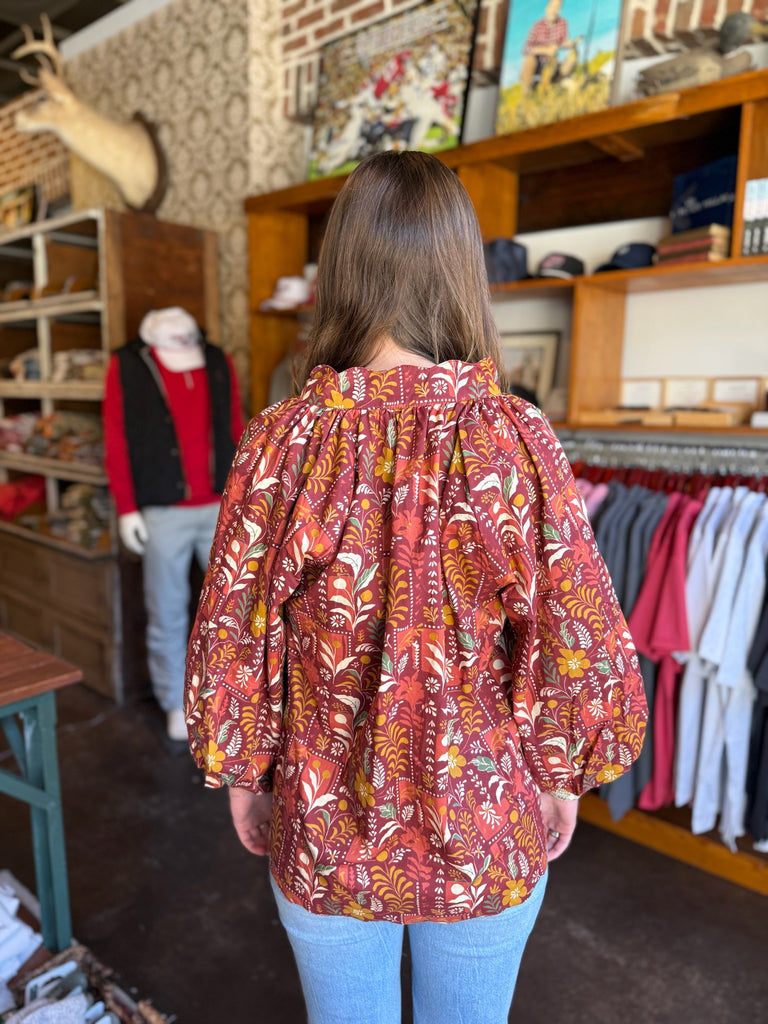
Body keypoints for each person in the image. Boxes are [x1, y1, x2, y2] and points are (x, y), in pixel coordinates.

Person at [185, 151, 647, 1024]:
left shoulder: (280, 441)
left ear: (341, 268)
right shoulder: (516, 440)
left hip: (322, 819)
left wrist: (244, 771)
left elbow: (234, 633)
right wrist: (562, 774)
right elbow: (575, 637)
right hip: (485, 821)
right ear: (461, 270)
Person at [103, 306, 244, 741]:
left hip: (221, 504)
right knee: (166, 610)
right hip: (163, 511)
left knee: (234, 609)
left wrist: (245, 497)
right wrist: (127, 507)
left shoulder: (218, 360)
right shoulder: (127, 365)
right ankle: (175, 702)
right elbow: (117, 437)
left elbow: (237, 428)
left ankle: (234, 698)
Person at [520, 0, 582, 94]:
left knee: (572, 56)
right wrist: (545, 50)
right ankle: (527, 93)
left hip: (552, 62)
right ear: (547, 9)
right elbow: (526, 49)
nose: (554, 10)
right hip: (538, 64)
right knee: (529, 59)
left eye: (557, 8)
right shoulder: (537, 26)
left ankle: (563, 79)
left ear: (560, 10)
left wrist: (570, 44)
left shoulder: (562, 23)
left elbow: (562, 43)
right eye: (552, 7)